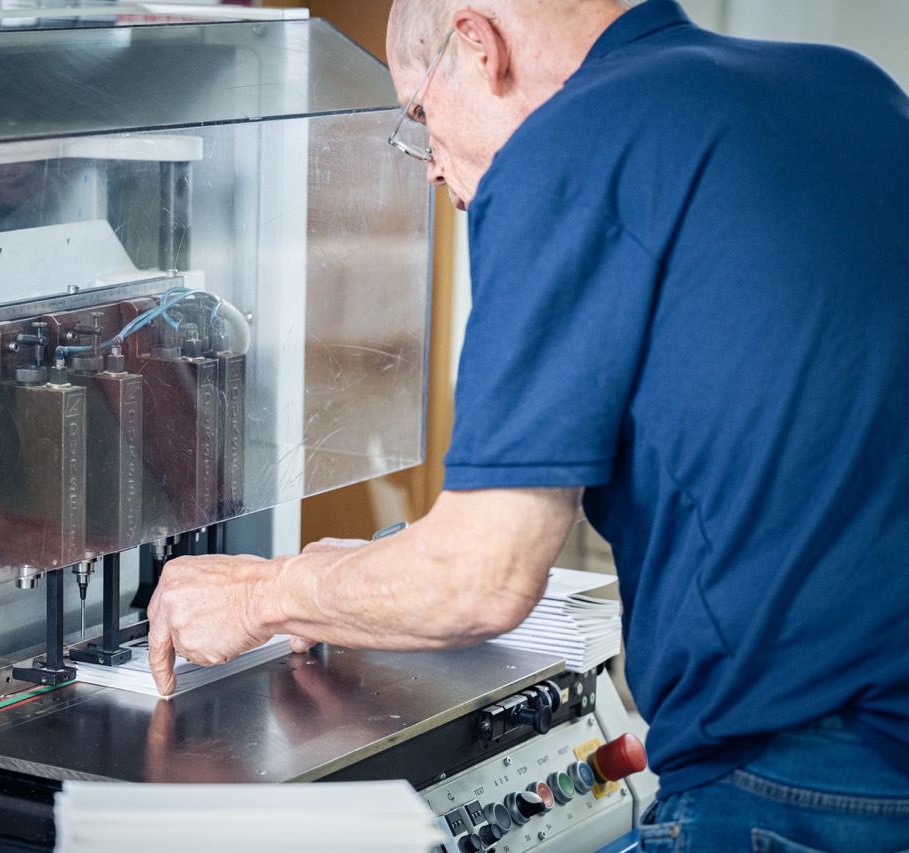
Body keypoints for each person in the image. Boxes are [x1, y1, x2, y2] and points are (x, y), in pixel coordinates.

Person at [147, 0, 909, 848]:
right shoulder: (849, 89)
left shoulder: (568, 148)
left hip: (795, 788)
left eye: (420, 115)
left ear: (480, 45)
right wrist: (353, 576)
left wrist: (260, 594)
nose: (430, 168)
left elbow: (481, 578)